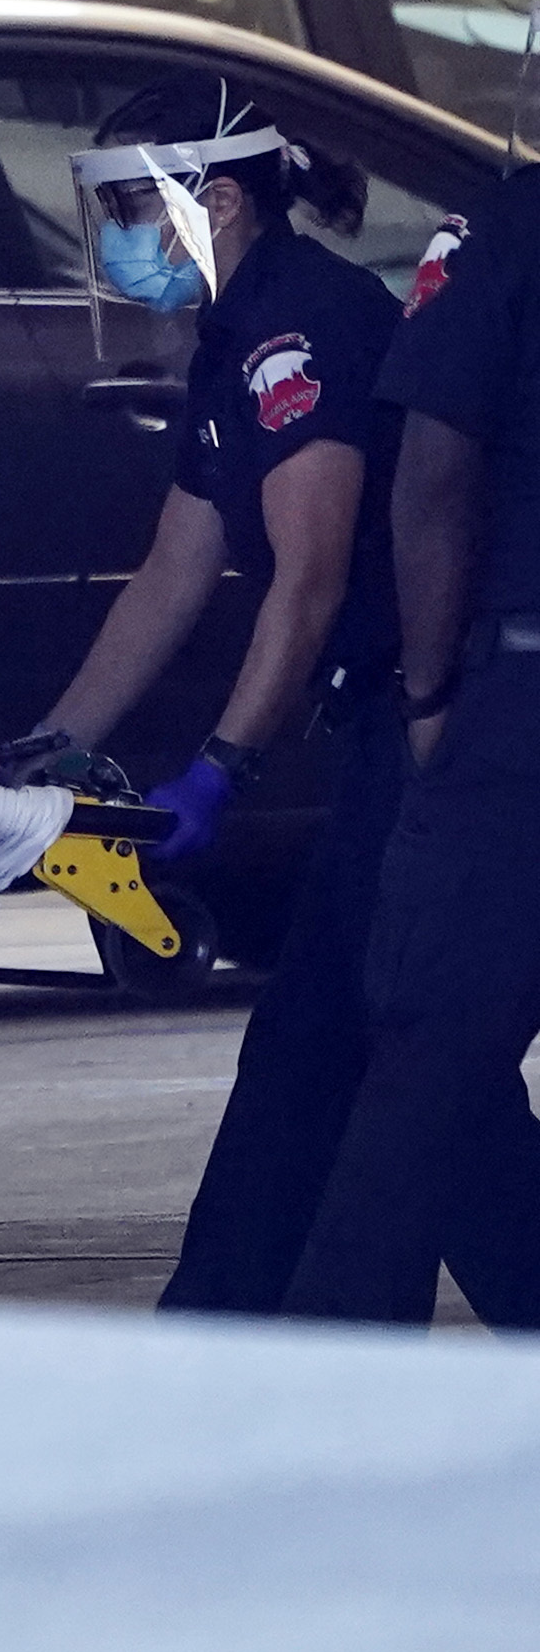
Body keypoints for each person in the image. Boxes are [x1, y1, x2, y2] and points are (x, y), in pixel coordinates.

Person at [0, 83, 427, 1314]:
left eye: (126, 208)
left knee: (366, 1045)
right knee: (365, 1046)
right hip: (398, 714)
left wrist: (226, 764)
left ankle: (230, 1325)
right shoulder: (233, 334)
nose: (109, 239)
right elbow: (174, 571)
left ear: (215, 200)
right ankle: (259, 1323)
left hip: (440, 717)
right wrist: (51, 747)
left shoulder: (300, 329)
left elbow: (311, 576)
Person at [279, 149, 540, 1323]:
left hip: (519, 705)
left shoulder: (507, 231)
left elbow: (432, 475)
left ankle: (339, 1399)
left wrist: (429, 694)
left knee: (424, 1055)